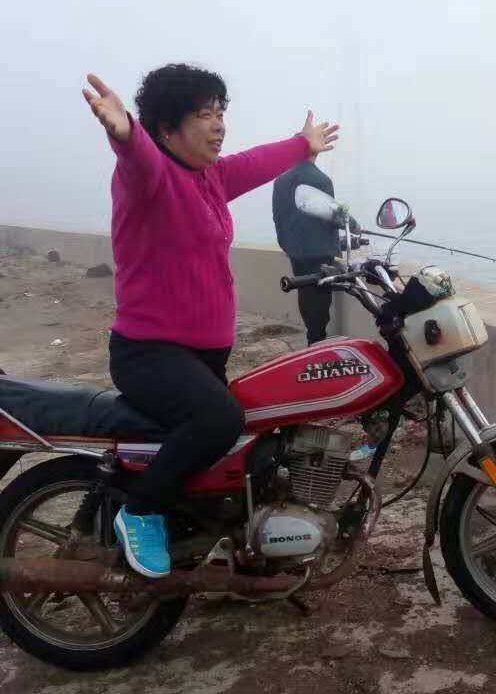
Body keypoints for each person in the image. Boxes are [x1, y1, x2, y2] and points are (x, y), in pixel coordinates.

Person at [83, 65, 338, 579]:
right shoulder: (151, 178)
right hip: (149, 354)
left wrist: (302, 145)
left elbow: (256, 162)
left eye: (221, 112)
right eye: (203, 114)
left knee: (244, 444)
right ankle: (140, 511)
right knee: (220, 421)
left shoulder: (211, 177)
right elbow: (139, 159)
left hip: (201, 356)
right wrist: (125, 133)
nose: (218, 125)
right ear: (166, 128)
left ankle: (221, 547)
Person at [272, 155, 342, 345]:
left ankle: (313, 336)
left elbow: (277, 217)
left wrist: (286, 244)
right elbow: (331, 215)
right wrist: (349, 225)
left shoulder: (281, 181)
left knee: (304, 292)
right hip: (320, 250)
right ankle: (316, 340)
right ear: (314, 153)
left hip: (296, 250)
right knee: (320, 299)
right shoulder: (322, 180)